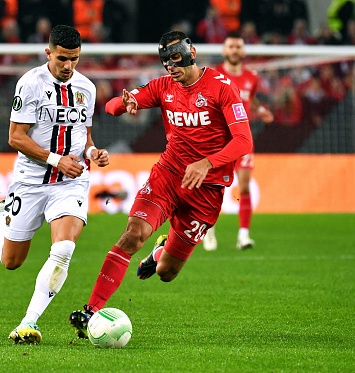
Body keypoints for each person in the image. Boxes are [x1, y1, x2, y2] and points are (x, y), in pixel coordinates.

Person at [68, 30, 253, 338]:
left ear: (191, 53)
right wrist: (122, 103)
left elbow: (244, 140)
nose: (171, 67)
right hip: (167, 176)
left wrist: (207, 163)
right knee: (133, 233)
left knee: (167, 273)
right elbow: (114, 106)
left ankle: (159, 253)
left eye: (176, 59)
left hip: (206, 192)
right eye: (166, 62)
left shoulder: (222, 88)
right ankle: (90, 311)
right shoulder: (163, 87)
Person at [0, 25, 110, 345]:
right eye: (63, 58)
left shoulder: (87, 88)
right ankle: (2, 216)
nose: (69, 66)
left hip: (70, 183)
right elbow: (15, 137)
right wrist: (55, 159)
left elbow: (86, 137)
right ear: (48, 53)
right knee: (12, 262)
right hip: (30, 181)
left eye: (75, 59)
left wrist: (94, 152)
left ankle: (29, 322)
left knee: (64, 248)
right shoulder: (30, 84)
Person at [202, 32, 274, 251]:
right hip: (216, 138)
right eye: (231, 47)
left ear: (243, 51)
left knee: (243, 186)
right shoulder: (213, 74)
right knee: (212, 186)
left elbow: (248, 100)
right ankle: (208, 231)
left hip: (242, 137)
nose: (234, 50)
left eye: (238, 47)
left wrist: (261, 110)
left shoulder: (252, 77)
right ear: (224, 51)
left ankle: (243, 236)